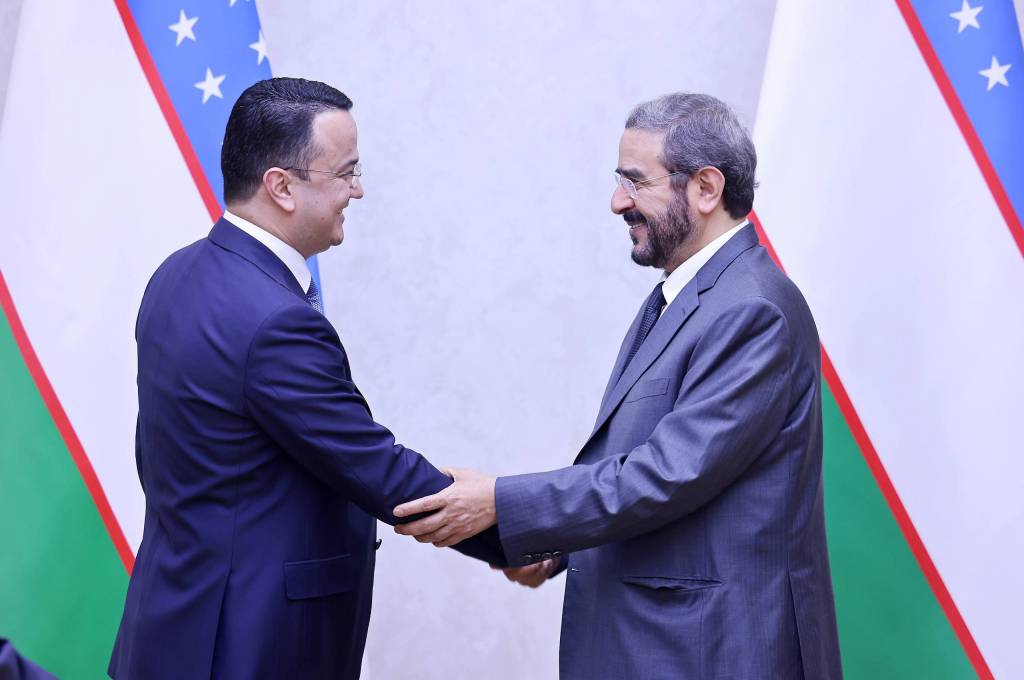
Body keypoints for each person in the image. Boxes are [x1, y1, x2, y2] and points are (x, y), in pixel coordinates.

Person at [394, 93, 843, 679]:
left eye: (635, 181)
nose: (617, 202)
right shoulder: (688, 296)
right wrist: (555, 546)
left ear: (706, 188)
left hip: (714, 653)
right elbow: (637, 464)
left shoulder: (751, 310)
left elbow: (665, 475)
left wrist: (500, 503)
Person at [108, 77, 504, 680]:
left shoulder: (175, 275)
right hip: (247, 646)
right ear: (281, 186)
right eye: (345, 173)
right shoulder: (276, 321)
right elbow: (375, 470)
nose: (358, 190)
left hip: (170, 631)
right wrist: (521, 534)